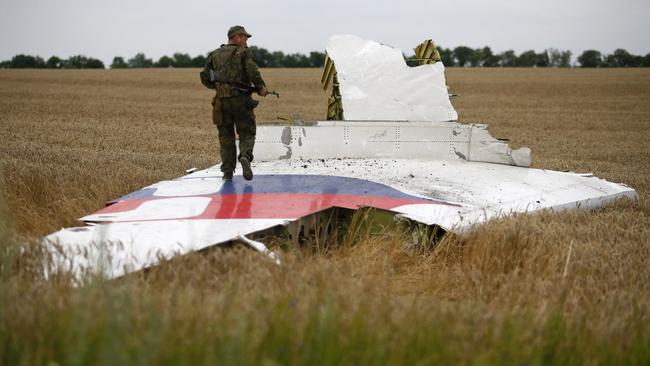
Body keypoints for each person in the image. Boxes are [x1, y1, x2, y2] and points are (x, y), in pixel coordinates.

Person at [204, 25, 269, 181]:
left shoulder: (214, 54)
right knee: (247, 132)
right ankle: (245, 156)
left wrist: (219, 88)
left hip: (221, 102)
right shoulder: (243, 52)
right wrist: (261, 88)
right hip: (241, 101)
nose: (246, 41)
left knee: (225, 138)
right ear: (237, 37)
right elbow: (252, 72)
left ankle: (227, 173)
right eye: (245, 38)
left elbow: (205, 77)